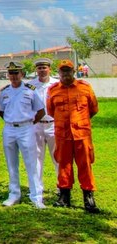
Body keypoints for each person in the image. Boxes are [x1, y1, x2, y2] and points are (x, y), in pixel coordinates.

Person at [47, 59, 99, 213]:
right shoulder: (53, 90)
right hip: (63, 135)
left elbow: (93, 109)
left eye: (68, 70)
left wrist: (79, 121)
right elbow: (51, 111)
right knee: (64, 165)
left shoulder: (85, 88)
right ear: (59, 73)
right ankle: (64, 197)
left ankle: (88, 198)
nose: (66, 73)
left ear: (74, 71)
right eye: (63, 71)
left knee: (85, 165)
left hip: (82, 134)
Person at [0, 61, 46, 209]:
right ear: (8, 75)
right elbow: (1, 111)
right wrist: (11, 121)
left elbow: (40, 111)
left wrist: (30, 123)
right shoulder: (4, 91)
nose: (13, 76)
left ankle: (36, 197)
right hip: (10, 128)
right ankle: (14, 194)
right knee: (11, 163)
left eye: (16, 73)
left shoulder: (30, 90)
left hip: (26, 128)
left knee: (31, 163)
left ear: (22, 74)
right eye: (11, 73)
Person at [27, 57, 59, 187]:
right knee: (36, 158)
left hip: (53, 124)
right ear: (36, 70)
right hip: (37, 125)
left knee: (57, 157)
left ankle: (61, 187)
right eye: (39, 68)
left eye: (44, 68)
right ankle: (37, 188)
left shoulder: (57, 84)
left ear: (49, 69)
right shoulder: (30, 85)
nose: (42, 70)